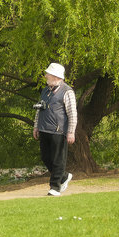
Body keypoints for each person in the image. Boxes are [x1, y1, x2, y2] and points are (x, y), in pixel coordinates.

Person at [33, 62, 77, 197]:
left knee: (58, 159)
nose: (46, 76)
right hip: (44, 129)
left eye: (48, 74)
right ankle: (63, 176)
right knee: (45, 157)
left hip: (59, 130)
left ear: (56, 76)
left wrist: (71, 131)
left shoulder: (67, 91)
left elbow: (72, 113)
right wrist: (36, 126)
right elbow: (39, 109)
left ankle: (55, 187)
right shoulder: (45, 91)